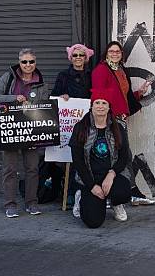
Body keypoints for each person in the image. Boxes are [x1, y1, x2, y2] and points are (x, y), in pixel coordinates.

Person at [91, 41, 155, 206]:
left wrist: (139, 92)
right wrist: (107, 119)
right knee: (118, 156)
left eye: (117, 51)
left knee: (121, 155)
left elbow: (123, 97)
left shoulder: (120, 70)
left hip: (120, 119)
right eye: (111, 51)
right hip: (110, 119)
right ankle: (126, 192)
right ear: (106, 53)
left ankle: (126, 192)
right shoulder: (101, 70)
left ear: (122, 55)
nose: (114, 54)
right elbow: (99, 98)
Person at [0, 48, 50, 218]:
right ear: (19, 62)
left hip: (30, 130)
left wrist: (32, 103)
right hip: (10, 129)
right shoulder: (8, 77)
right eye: (24, 61)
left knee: (32, 168)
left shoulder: (42, 82)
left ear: (35, 63)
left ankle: (31, 203)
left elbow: (43, 106)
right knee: (10, 169)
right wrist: (14, 98)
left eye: (31, 61)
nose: (28, 65)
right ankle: (10, 204)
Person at [69, 89, 132, 228]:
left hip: (110, 176)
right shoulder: (81, 127)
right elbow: (77, 161)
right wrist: (91, 186)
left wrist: (112, 174)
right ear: (92, 105)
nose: (100, 106)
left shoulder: (117, 127)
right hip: (89, 177)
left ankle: (116, 203)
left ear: (109, 107)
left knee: (124, 191)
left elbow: (124, 156)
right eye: (97, 102)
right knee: (93, 222)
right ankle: (81, 197)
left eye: (104, 103)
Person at [51, 44, 95, 209]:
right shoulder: (63, 75)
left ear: (85, 58)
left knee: (85, 156)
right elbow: (54, 96)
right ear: (71, 58)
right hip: (69, 122)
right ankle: (69, 193)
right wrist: (61, 96)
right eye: (75, 55)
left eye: (81, 55)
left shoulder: (91, 75)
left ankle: (82, 191)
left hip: (86, 120)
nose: (78, 58)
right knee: (70, 158)